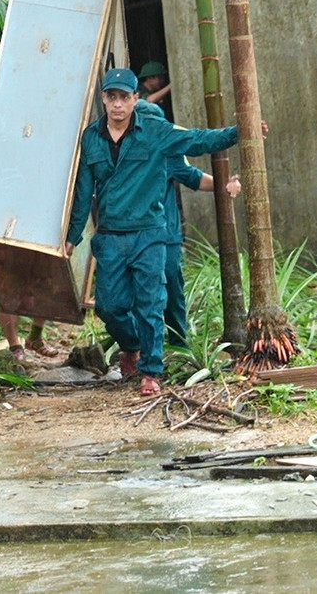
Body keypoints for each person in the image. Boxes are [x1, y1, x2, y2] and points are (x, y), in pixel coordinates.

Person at [64, 68, 245, 397]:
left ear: (135, 99)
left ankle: (152, 370)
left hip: (150, 233)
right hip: (111, 235)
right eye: (112, 97)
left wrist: (239, 131)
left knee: (152, 302)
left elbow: (198, 142)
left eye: (124, 97)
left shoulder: (156, 133)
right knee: (109, 305)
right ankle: (132, 345)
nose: (118, 104)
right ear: (104, 99)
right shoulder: (91, 138)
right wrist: (73, 236)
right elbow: (82, 191)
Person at [135, 100, 241, 348]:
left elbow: (193, 177)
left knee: (172, 287)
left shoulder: (167, 151)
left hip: (166, 234)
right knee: (139, 291)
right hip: (133, 234)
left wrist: (225, 186)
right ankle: (141, 346)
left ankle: (178, 344)